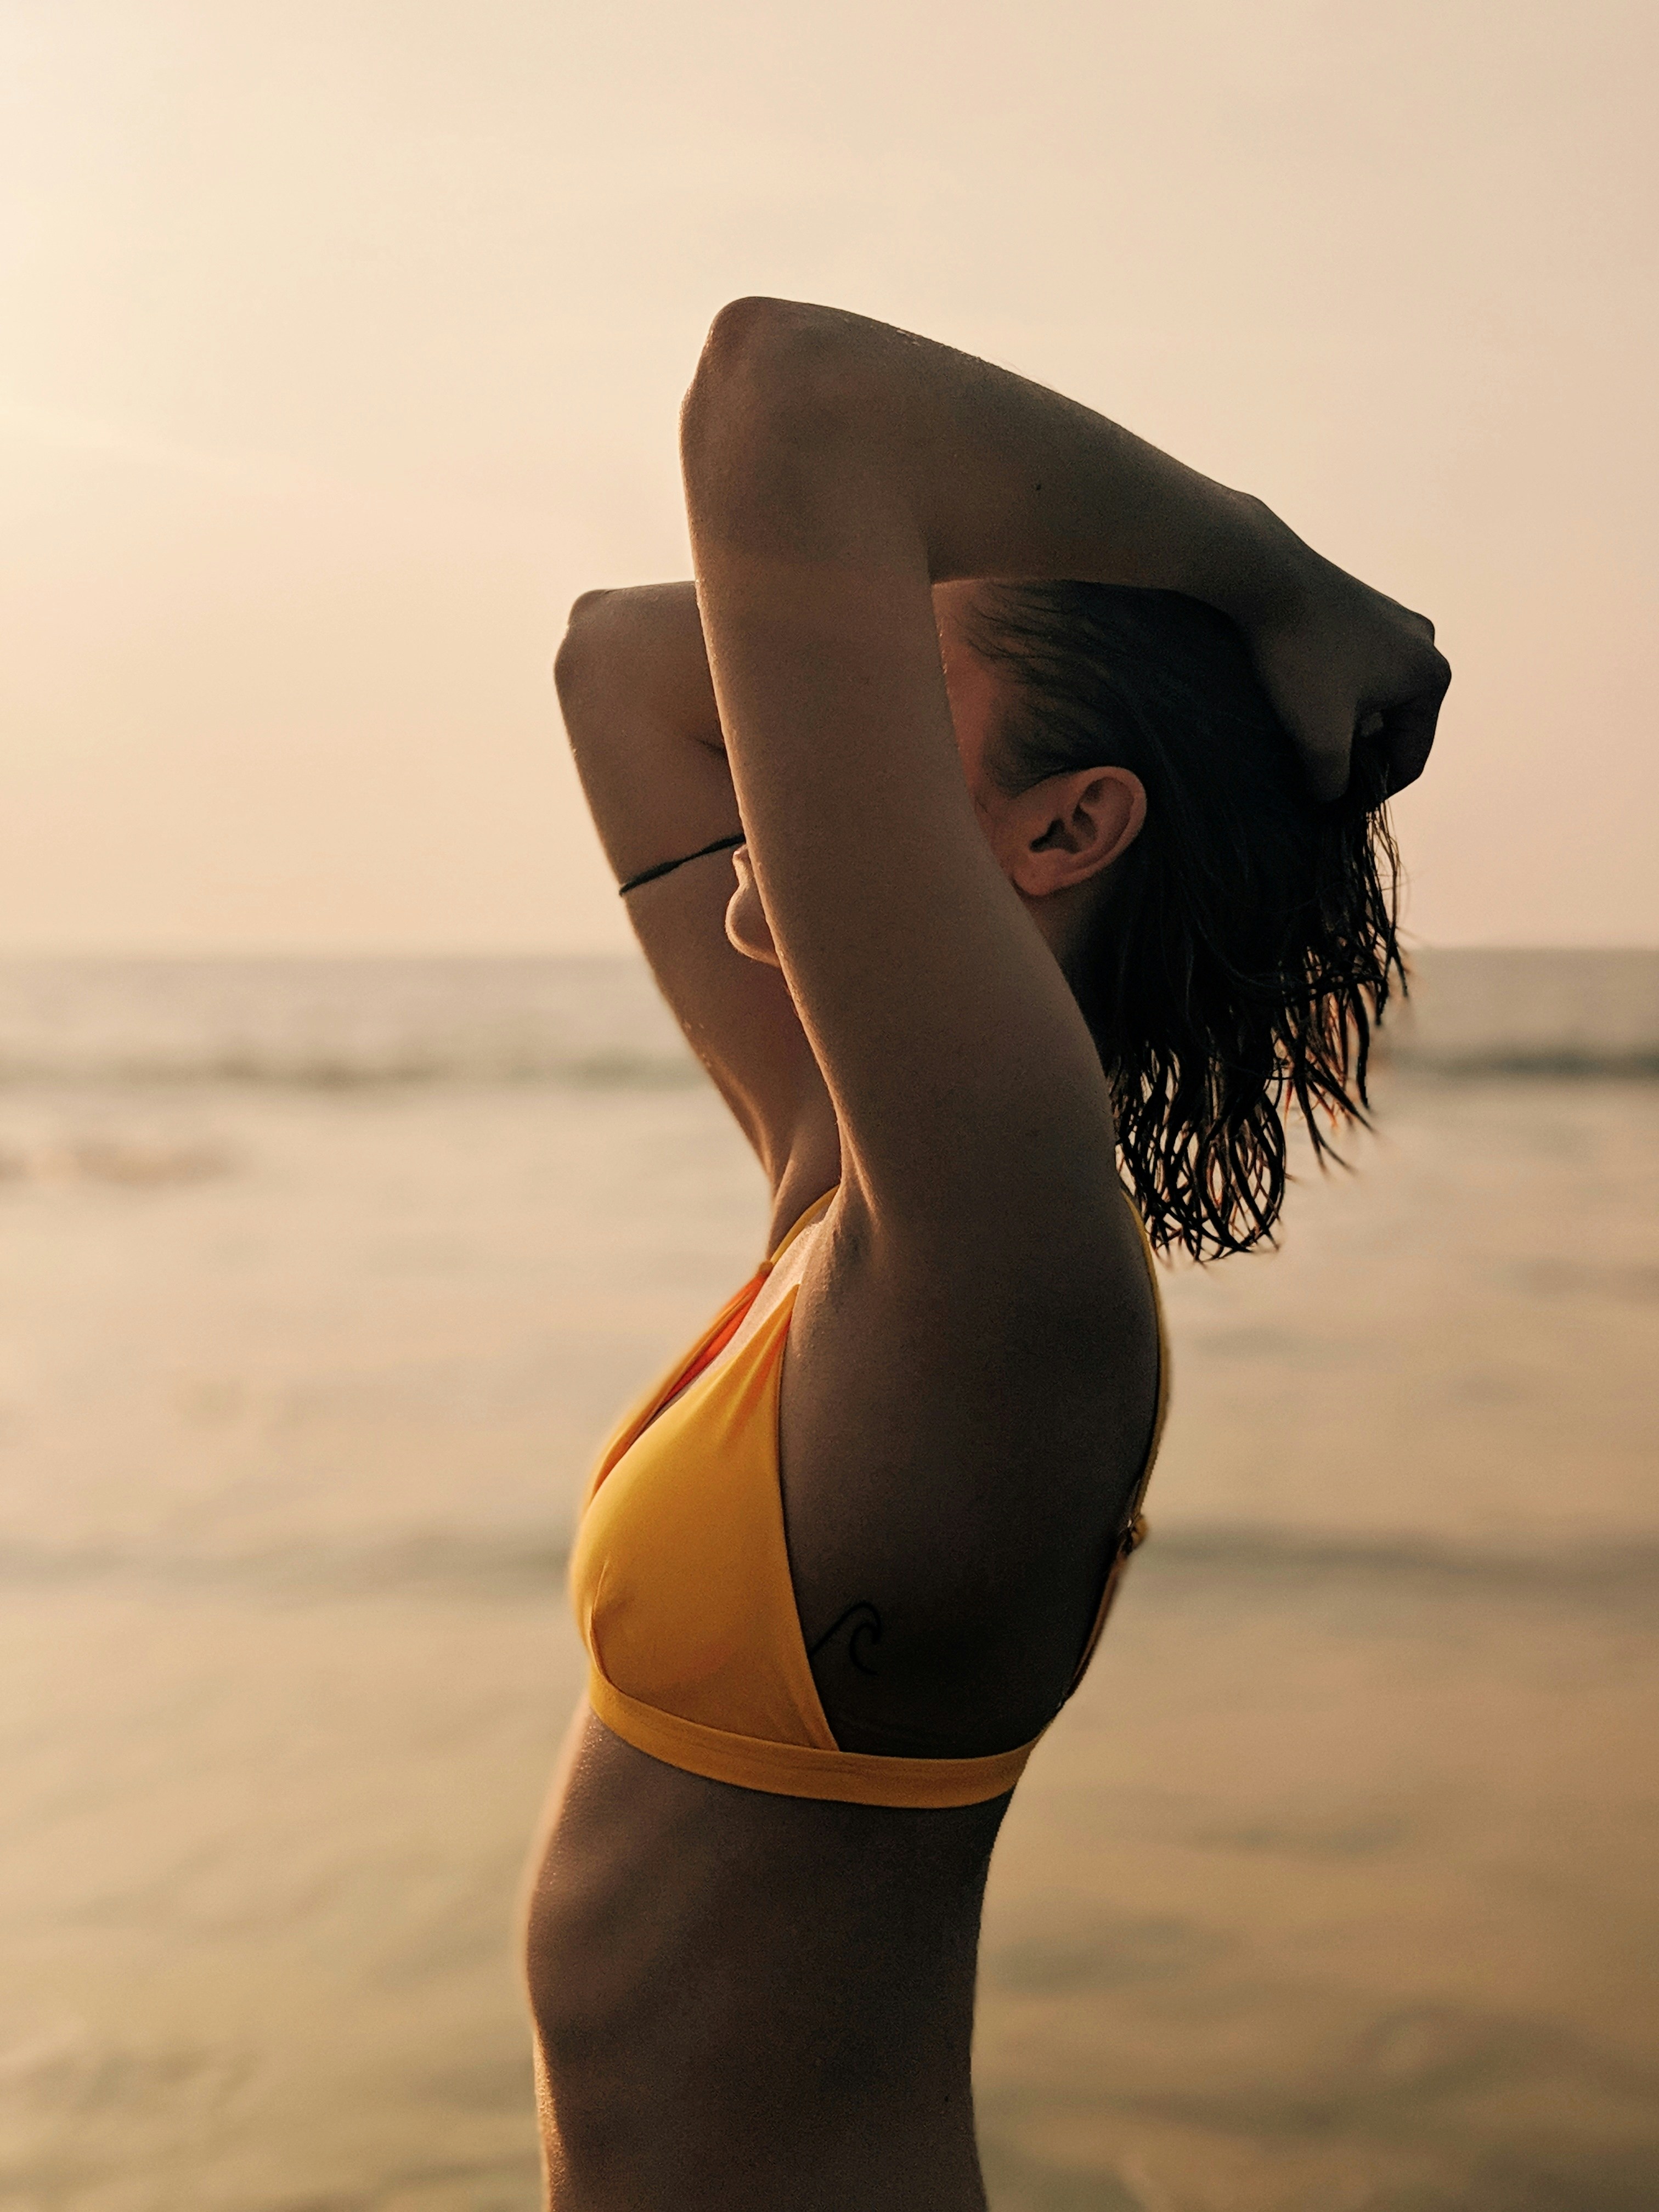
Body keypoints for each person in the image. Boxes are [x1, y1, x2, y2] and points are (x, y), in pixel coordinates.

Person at [524, 300, 1449, 2211]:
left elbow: (780, 392)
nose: (806, 717)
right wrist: (888, 648)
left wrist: (1266, 581)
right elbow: (620, 662)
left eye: (870, 688)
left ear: (1070, 826)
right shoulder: (844, 1195)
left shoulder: (1004, 1255)